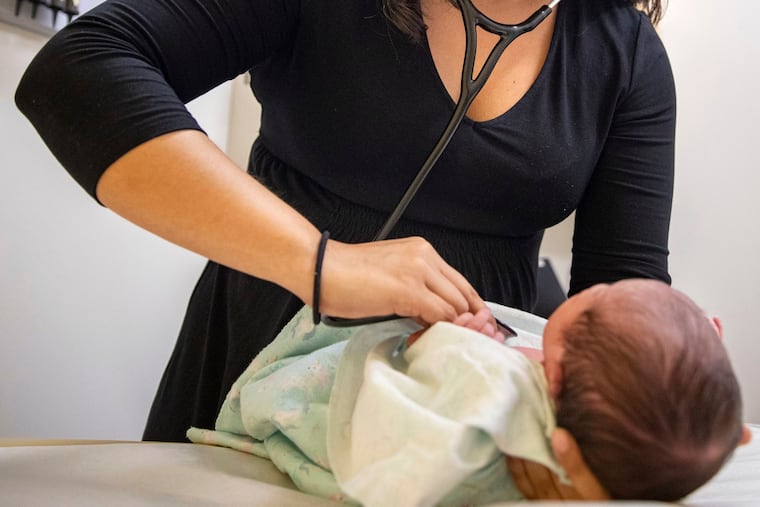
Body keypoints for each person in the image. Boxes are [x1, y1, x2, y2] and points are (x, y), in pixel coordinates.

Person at [15, 0, 675, 493]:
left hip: (461, 436)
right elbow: (79, 70)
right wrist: (321, 263)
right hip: (262, 369)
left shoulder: (629, 56)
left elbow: (624, 302)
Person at [187, 279, 751, 504]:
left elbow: (435, 382)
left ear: (553, 381)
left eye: (600, 292)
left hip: (345, 410)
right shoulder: (590, 392)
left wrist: (446, 344)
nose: (600, 288)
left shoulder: (488, 394)